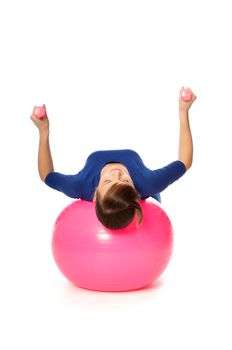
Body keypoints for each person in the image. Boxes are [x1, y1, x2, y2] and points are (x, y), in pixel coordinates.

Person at [30, 87, 197, 229]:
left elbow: (46, 175)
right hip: (144, 191)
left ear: (95, 195)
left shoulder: (80, 185)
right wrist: (184, 110)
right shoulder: (148, 183)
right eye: (125, 182)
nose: (116, 173)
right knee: (154, 187)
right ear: (137, 194)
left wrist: (43, 131)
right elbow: (184, 161)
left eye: (108, 182)